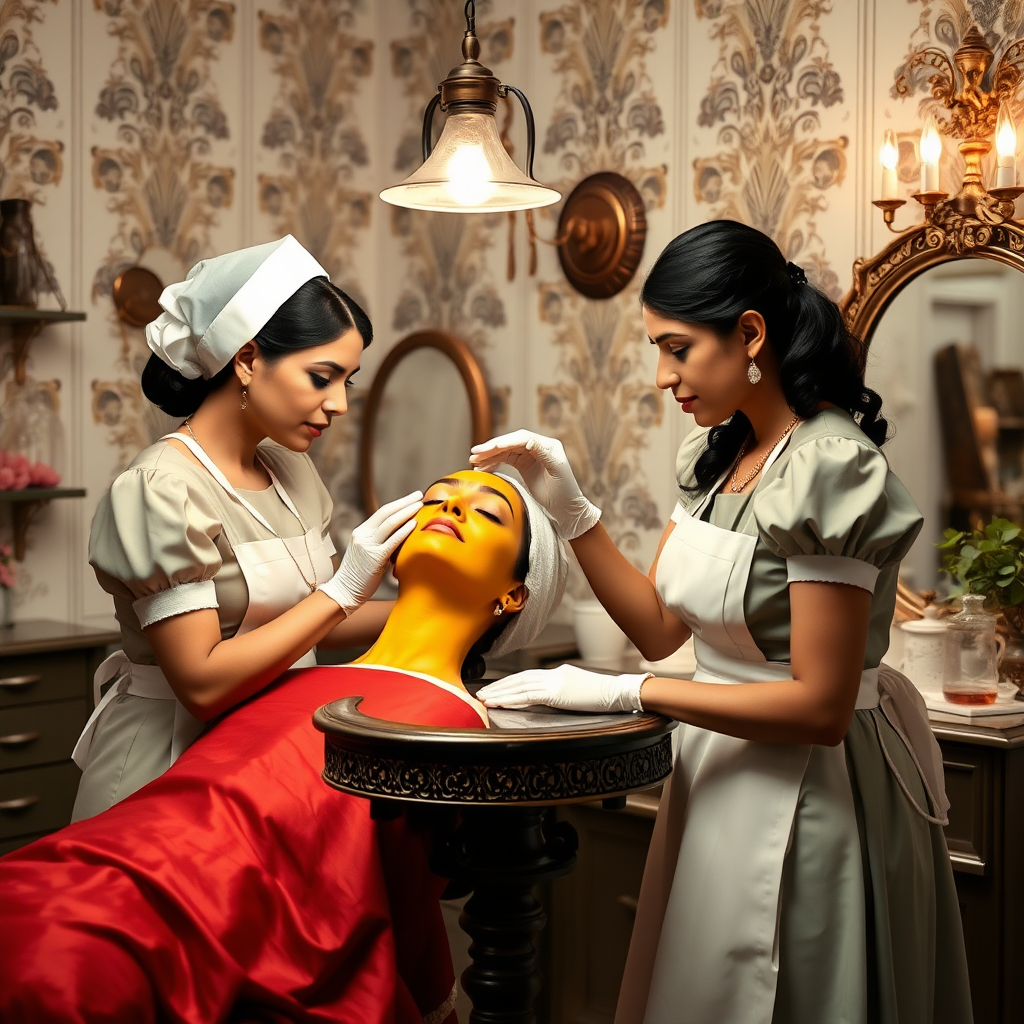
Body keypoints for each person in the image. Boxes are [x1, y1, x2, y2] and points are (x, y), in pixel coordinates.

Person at [472, 221, 973, 1024]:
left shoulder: (830, 468)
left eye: (677, 349)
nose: (662, 376)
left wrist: (629, 697)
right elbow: (662, 629)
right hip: (717, 776)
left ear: (749, 334)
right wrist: (572, 511)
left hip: (816, 793)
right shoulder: (718, 460)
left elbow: (819, 707)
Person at [0, 469, 568, 1024]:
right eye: (436, 497)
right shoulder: (285, 675)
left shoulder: (454, 722)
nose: (449, 507)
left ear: (513, 594)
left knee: (54, 964)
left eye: (487, 512)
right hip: (110, 854)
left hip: (202, 915)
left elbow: (399, 895)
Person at [73, 235, 424, 821]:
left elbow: (313, 619)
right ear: (248, 359)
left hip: (263, 760)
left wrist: (449, 607)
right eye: (322, 377)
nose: (339, 404)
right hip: (163, 771)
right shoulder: (159, 489)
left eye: (349, 381)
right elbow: (202, 683)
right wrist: (343, 589)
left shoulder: (290, 469)